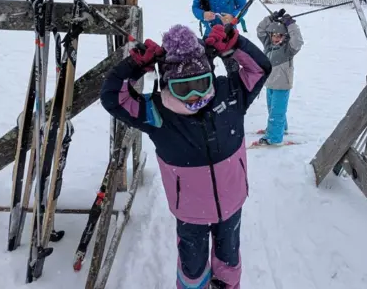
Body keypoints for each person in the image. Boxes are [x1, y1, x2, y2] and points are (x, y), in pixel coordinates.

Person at [100, 24, 271, 288]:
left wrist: (234, 46)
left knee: (229, 257)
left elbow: (260, 68)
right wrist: (135, 66)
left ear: (211, 75)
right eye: (183, 88)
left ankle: (227, 284)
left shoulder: (231, 94)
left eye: (201, 84)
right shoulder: (156, 113)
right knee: (192, 264)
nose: (195, 96)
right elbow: (114, 98)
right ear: (167, 84)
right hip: (191, 211)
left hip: (232, 202)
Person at [253, 10, 304, 146]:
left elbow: (298, 40)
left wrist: (291, 24)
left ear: (285, 36)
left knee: (277, 112)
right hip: (270, 83)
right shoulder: (268, 45)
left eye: (279, 35)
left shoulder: (289, 49)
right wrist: (271, 18)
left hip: (282, 85)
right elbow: (260, 29)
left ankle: (274, 138)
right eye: (273, 35)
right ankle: (281, 128)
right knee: (273, 109)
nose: (276, 38)